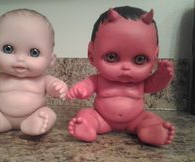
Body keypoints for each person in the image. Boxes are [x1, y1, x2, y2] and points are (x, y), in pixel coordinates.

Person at [67, 6, 175, 146]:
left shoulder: (141, 82)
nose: (126, 67)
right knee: (86, 113)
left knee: (150, 118)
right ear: (91, 54)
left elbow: (155, 85)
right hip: (102, 119)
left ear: (155, 57)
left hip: (136, 120)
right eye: (111, 57)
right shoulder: (99, 80)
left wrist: (162, 76)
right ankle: (88, 126)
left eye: (139, 59)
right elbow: (87, 85)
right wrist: (80, 89)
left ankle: (151, 130)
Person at [0, 9, 68, 142]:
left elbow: (52, 87)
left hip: (33, 113)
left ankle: (34, 124)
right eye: (8, 49)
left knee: (49, 114)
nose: (20, 58)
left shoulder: (43, 79)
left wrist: (59, 88)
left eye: (34, 52)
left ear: (51, 60)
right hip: (2, 116)